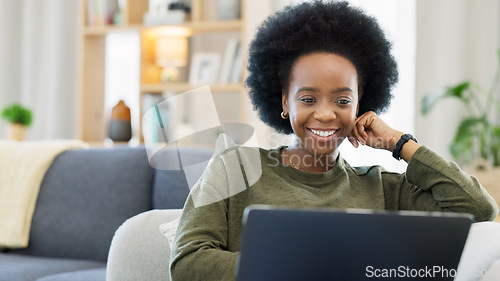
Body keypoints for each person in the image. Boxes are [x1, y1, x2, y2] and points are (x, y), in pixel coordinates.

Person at [169, 1, 498, 280]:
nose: (325, 115)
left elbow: (478, 208)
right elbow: (188, 263)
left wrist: (401, 144)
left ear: (359, 105)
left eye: (342, 101)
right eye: (308, 99)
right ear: (285, 102)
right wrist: (312, 266)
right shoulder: (235, 167)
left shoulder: (382, 187)